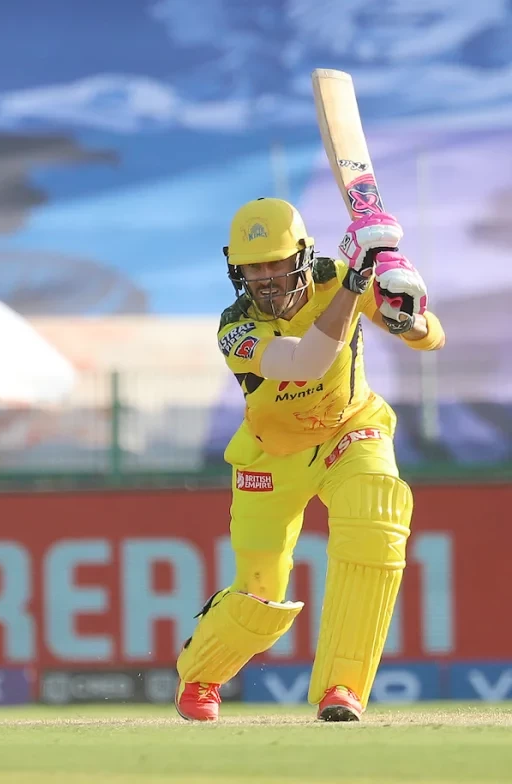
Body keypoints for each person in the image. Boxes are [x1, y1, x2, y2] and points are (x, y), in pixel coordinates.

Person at [175, 198, 445, 722]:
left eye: (275, 263)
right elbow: (307, 361)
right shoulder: (236, 329)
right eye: (253, 268)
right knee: (259, 595)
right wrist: (357, 282)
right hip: (272, 458)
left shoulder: (339, 277)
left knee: (375, 519)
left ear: (302, 254)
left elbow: (429, 338)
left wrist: (406, 317)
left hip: (350, 427)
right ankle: (201, 672)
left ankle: (342, 687)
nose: (265, 279)